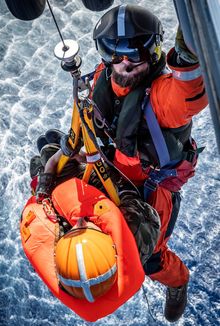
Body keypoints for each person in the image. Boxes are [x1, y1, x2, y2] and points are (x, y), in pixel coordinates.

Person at [88, 4, 208, 323]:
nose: (123, 63)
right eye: (114, 53)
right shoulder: (108, 76)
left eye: (133, 55)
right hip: (109, 170)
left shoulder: (161, 99)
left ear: (153, 53)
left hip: (150, 193)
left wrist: (190, 46)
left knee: (150, 258)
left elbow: (189, 93)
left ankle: (178, 281)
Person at [23, 129, 160, 322]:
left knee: (45, 152)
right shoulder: (138, 228)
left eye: (72, 231)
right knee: (55, 149)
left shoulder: (51, 253)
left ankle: (53, 152)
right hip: (114, 204)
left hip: (62, 211)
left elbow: (39, 203)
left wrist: (51, 171)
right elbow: (129, 191)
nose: (79, 220)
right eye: (86, 227)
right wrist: (89, 162)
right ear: (114, 248)